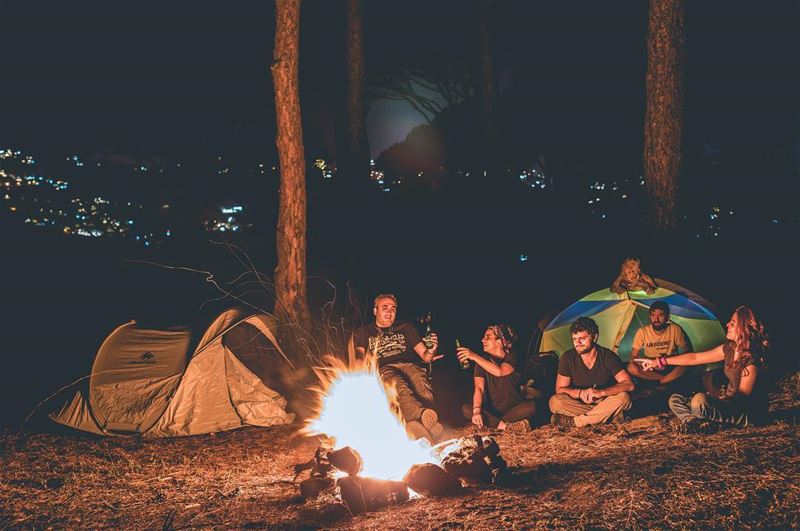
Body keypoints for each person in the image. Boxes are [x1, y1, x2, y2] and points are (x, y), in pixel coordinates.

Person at [639, 306, 770, 432]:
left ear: (744, 329)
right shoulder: (729, 348)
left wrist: (717, 399)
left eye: (733, 324)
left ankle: (700, 421)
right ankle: (694, 423)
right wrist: (659, 361)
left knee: (700, 400)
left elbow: (742, 401)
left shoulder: (752, 362)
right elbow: (694, 358)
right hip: (728, 404)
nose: (727, 325)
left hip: (746, 414)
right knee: (675, 399)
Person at [351, 293, 443, 441]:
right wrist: (361, 368)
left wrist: (432, 349)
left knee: (423, 389)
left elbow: (425, 356)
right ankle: (421, 417)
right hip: (385, 368)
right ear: (375, 311)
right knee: (399, 386)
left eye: (393, 308)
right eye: (384, 308)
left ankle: (418, 428)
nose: (389, 312)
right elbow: (359, 355)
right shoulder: (363, 332)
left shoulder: (406, 328)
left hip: (410, 365)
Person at [549, 317, 634, 427]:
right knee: (555, 401)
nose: (578, 343)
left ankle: (577, 422)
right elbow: (560, 389)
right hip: (579, 403)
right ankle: (607, 416)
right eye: (574, 339)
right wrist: (581, 393)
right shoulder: (568, 358)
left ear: (595, 337)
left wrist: (601, 393)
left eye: (582, 338)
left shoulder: (608, 356)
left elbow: (629, 384)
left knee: (624, 398)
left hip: (604, 401)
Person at [456, 324, 536, 433]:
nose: (482, 340)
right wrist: (477, 411)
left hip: (514, 410)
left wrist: (473, 356)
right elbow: (479, 388)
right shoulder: (481, 362)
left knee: (532, 406)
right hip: (492, 412)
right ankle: (507, 427)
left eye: (487, 337)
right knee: (466, 409)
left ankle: (494, 425)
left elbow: (500, 371)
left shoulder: (512, 356)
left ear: (499, 342)